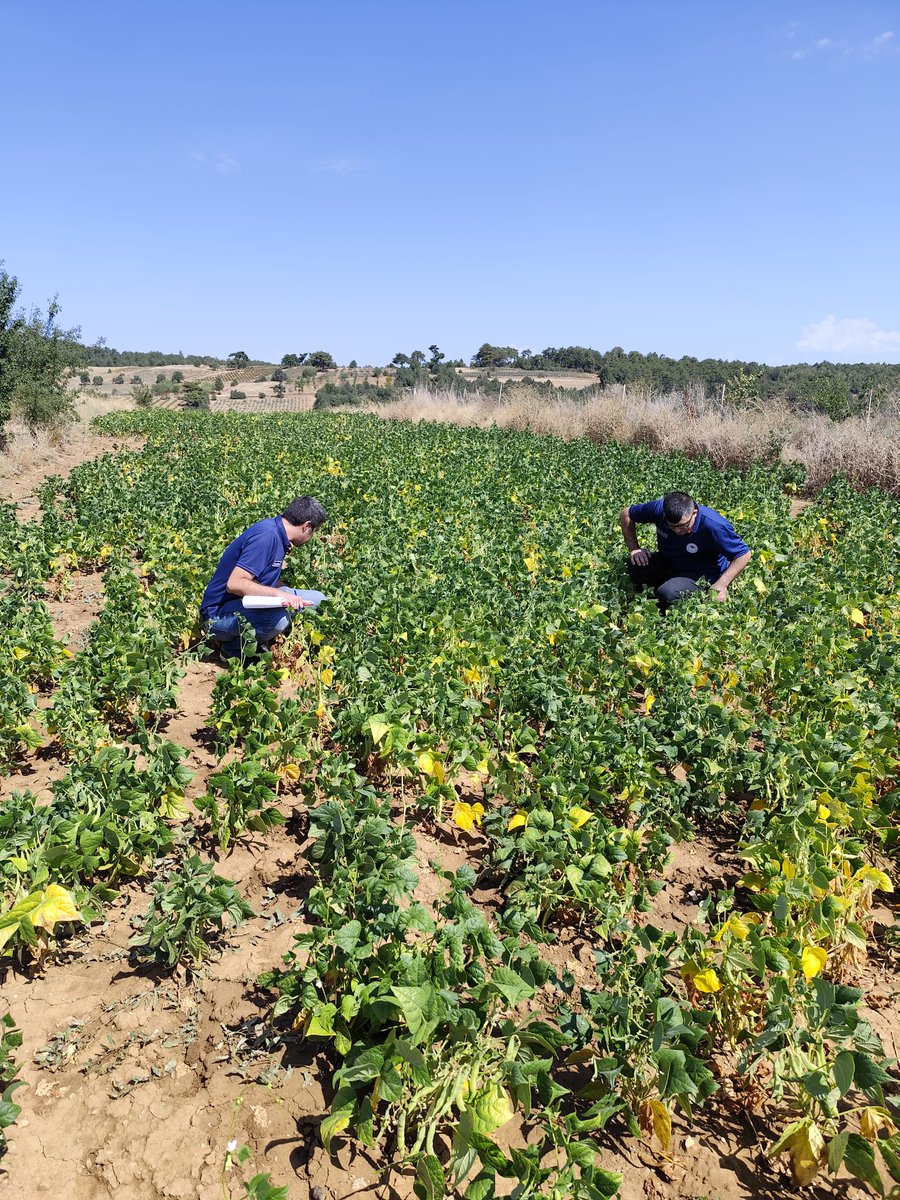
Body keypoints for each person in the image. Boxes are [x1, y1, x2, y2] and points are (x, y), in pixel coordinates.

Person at [201, 496, 328, 658]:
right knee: (278, 619)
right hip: (218, 615)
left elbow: (262, 579)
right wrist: (281, 595)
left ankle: (262, 637)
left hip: (246, 603)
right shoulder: (266, 537)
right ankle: (233, 651)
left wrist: (288, 595)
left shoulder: (280, 535)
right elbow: (234, 584)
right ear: (306, 526)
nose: (313, 536)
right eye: (314, 531)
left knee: (319, 599)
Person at [620, 491, 751, 609]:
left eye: (683, 526)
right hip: (669, 562)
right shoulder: (659, 509)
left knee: (667, 594)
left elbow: (743, 554)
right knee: (635, 564)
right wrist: (635, 549)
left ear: (694, 513)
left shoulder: (714, 525)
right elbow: (626, 514)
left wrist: (722, 584)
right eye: (671, 526)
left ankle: (668, 600)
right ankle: (649, 599)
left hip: (701, 573)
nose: (677, 531)